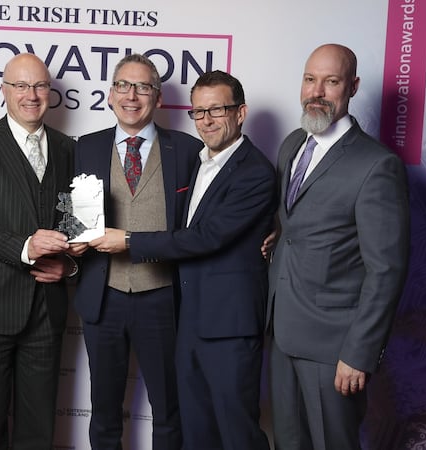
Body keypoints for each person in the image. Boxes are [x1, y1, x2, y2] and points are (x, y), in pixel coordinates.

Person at [90, 70, 276, 450]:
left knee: (237, 432)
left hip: (229, 325)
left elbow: (207, 236)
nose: (206, 120)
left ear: (240, 113)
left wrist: (128, 241)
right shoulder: (199, 158)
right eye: (199, 112)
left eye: (217, 110)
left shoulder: (254, 170)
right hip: (189, 318)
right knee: (196, 432)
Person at [266, 43, 410, 450]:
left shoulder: (376, 165)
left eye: (331, 81)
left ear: (353, 87)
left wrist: (359, 353)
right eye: (310, 79)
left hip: (334, 348)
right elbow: (294, 225)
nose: (316, 92)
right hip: (282, 332)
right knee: (288, 442)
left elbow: (387, 270)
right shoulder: (292, 144)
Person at [71, 54, 200, 450]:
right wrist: (68, 245)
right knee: (104, 411)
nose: (132, 95)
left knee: (169, 411)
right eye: (124, 86)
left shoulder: (189, 150)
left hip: (163, 298)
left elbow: (211, 216)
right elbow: (70, 215)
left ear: (158, 98)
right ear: (110, 95)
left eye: (143, 87)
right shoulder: (85, 147)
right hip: (103, 296)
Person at [0, 52, 76, 450]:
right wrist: (24, 247)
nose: (31, 95)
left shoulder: (67, 148)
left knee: (38, 431)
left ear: (50, 91)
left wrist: (68, 265)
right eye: (21, 85)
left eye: (39, 86)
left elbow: (76, 222)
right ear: (4, 90)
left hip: (46, 309)